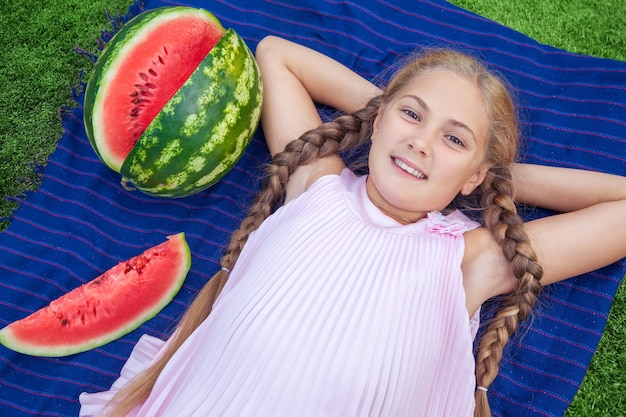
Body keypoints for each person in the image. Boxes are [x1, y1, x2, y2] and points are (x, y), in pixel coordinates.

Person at [79, 36, 626, 417]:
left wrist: (498, 179)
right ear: (380, 117)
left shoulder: (469, 259)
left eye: (453, 139)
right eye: (412, 115)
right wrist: (385, 116)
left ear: (474, 175)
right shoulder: (316, 182)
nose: (421, 142)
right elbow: (276, 56)